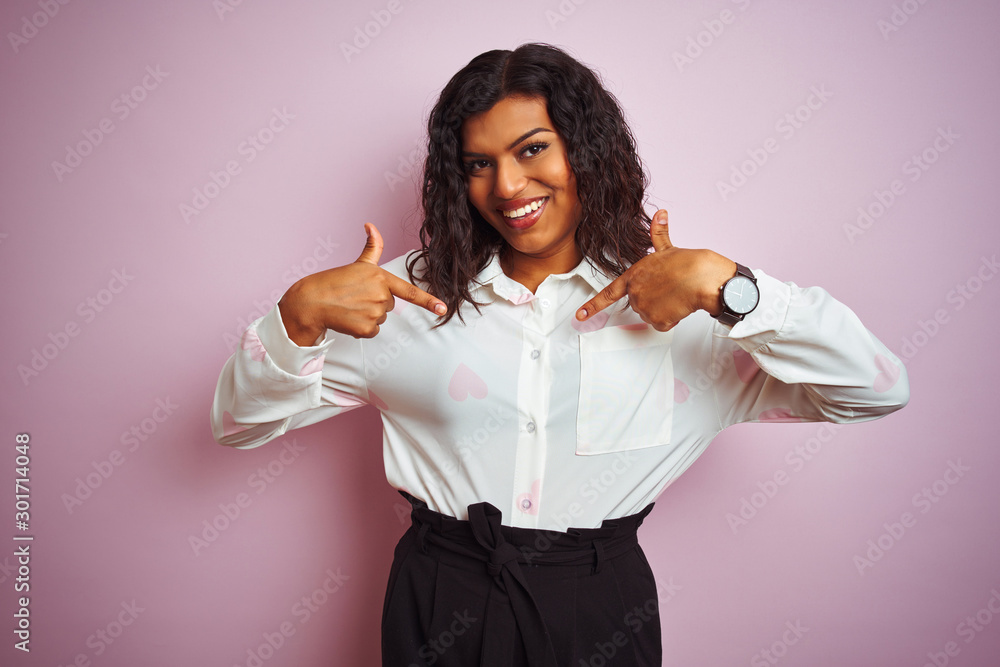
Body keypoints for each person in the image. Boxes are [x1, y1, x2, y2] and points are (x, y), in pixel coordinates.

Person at [211, 43, 908, 667]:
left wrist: (735, 290)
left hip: (599, 606)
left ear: (588, 148)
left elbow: (874, 387)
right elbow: (238, 423)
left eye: (532, 149)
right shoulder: (401, 298)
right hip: (438, 597)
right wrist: (295, 317)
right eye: (479, 163)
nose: (507, 187)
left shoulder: (694, 308)